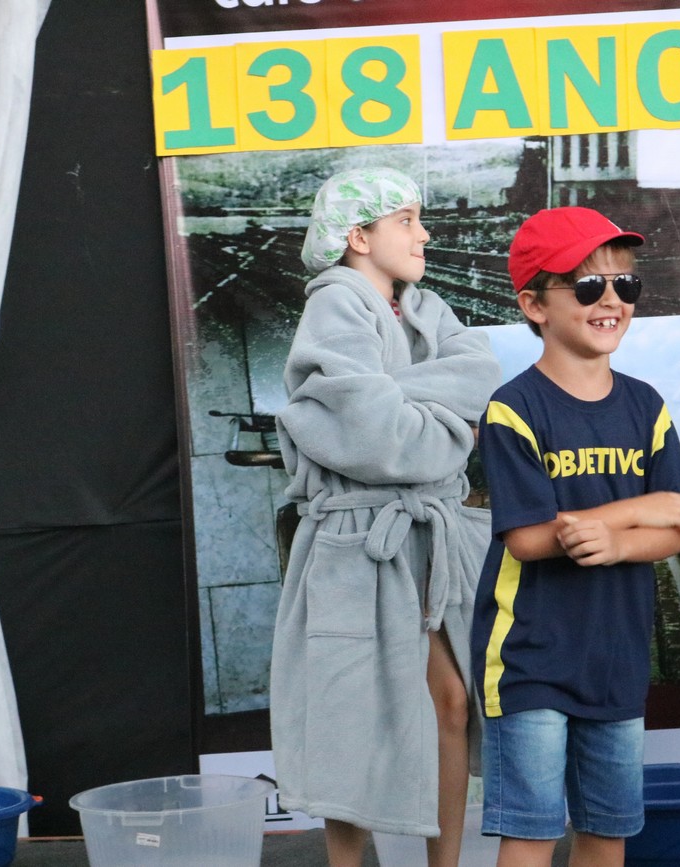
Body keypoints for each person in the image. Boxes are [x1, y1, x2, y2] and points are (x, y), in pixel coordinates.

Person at [269, 167, 502, 867]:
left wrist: (397, 396)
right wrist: (449, 428)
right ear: (359, 236)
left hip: (431, 540)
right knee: (358, 715)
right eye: (405, 220)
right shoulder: (335, 307)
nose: (423, 234)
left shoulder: (424, 307)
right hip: (360, 543)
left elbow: (481, 376)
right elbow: (378, 437)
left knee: (450, 701)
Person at [471, 207, 680, 867]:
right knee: (532, 832)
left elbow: (679, 524)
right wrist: (640, 509)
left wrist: (618, 538)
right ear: (534, 305)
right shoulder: (514, 408)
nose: (611, 300)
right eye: (586, 286)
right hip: (529, 656)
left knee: (609, 830)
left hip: (616, 658)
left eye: (624, 285)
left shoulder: (646, 405)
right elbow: (529, 538)